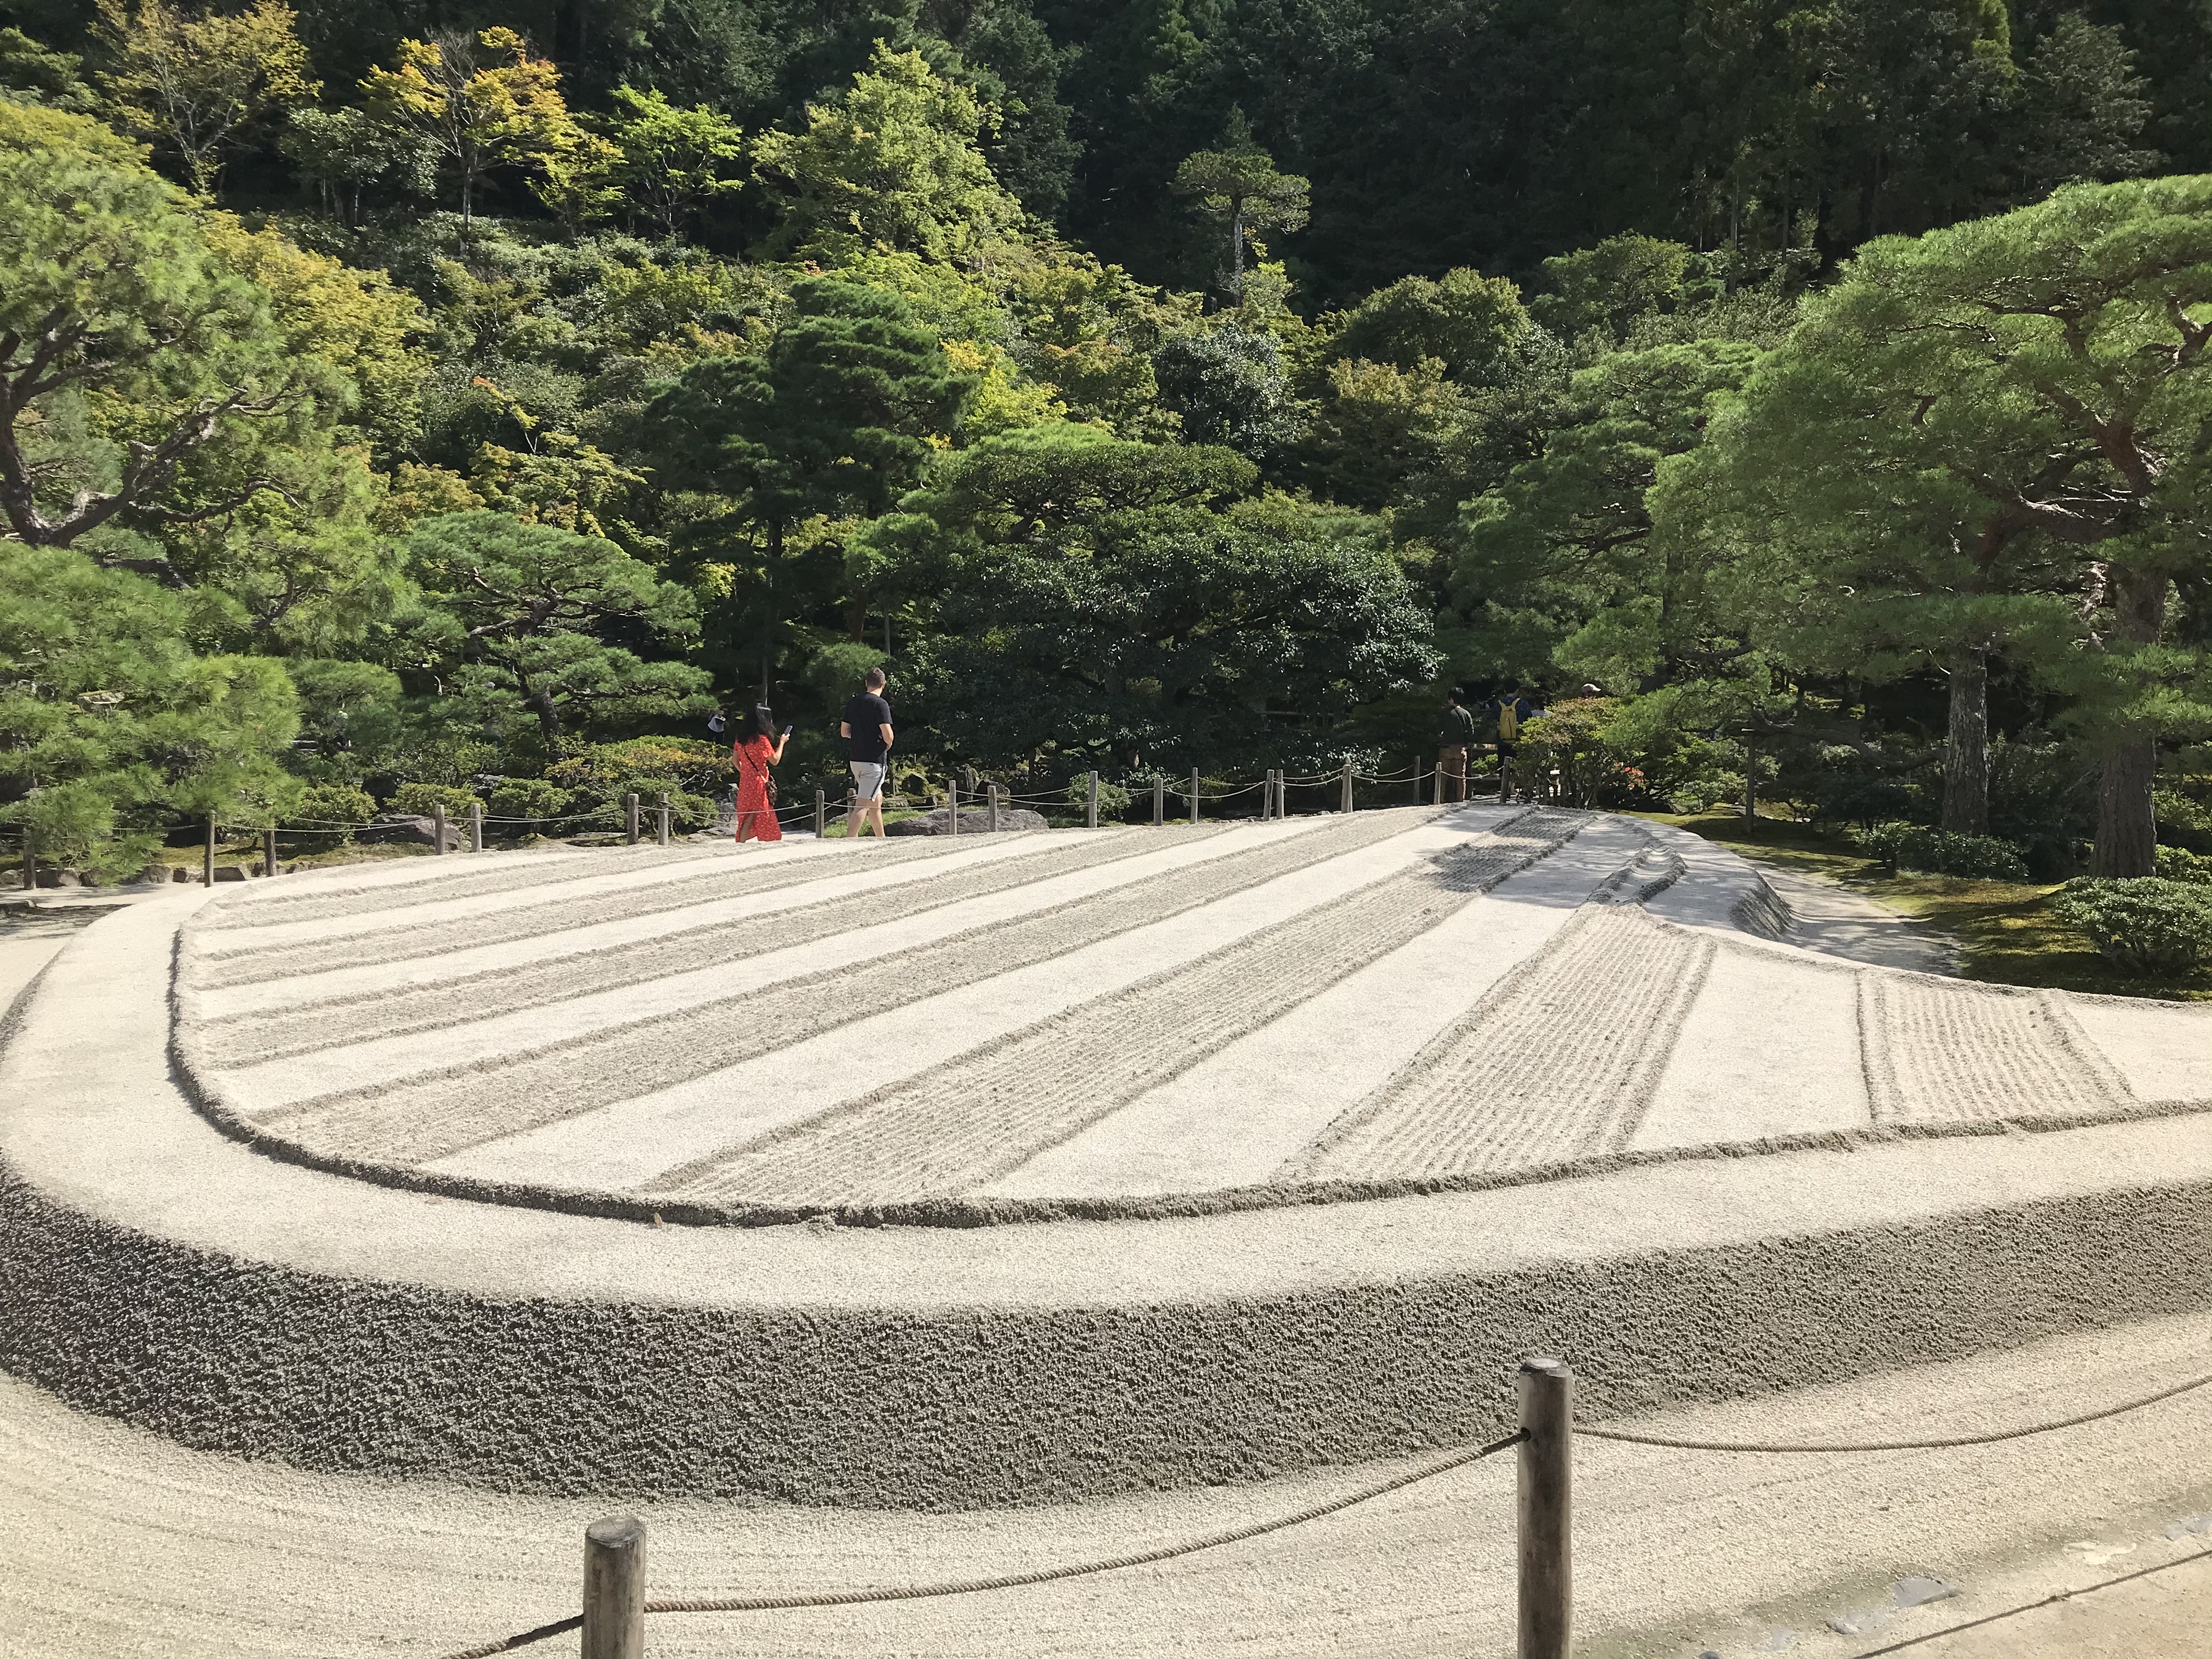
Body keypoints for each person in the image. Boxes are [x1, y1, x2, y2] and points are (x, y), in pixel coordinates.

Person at [839, 667, 894, 839]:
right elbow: (888, 734)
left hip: (856, 760)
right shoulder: (880, 704)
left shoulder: (854, 702)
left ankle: (881, 838)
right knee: (863, 804)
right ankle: (849, 840)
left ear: (866, 683)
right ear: (883, 685)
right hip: (874, 761)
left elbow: (844, 732)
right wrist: (888, 743)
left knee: (875, 800)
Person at [731, 704, 787, 842]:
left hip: (745, 781)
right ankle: (770, 840)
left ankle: (741, 844)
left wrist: (745, 772)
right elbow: (775, 760)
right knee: (764, 813)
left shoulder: (741, 738)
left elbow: (734, 760)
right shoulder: (761, 739)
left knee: (748, 815)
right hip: (759, 782)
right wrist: (782, 743)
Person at [1491, 682, 1539, 800]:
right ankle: (1519, 790)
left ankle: (1505, 791)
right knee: (1519, 766)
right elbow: (1529, 721)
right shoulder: (1522, 704)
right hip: (1519, 740)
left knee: (1503, 766)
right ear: (1517, 690)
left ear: (1504, 690)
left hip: (1503, 740)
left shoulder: (1499, 704)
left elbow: (1493, 720)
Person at [1437, 686, 1477, 804]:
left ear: (1451, 699)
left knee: (1443, 776)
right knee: (1460, 776)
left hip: (1446, 748)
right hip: (1460, 748)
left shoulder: (1444, 713)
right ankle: (1461, 800)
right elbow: (1471, 732)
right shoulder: (1466, 714)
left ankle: (1440, 800)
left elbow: (1438, 730)